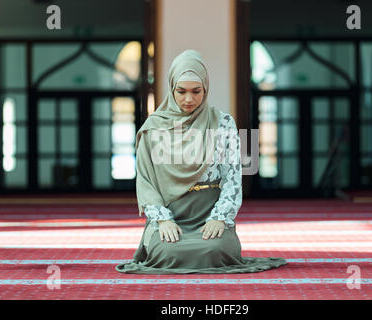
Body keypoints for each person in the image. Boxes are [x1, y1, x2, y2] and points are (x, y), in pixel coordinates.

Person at [115, 49, 287, 274]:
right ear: (171, 88)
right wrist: (163, 221)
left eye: (196, 91)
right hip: (171, 215)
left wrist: (220, 217)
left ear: (205, 88)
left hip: (210, 212)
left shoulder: (222, 122)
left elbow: (232, 177)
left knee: (218, 249)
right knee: (167, 252)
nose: (189, 99)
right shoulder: (154, 127)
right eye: (181, 91)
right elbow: (146, 183)